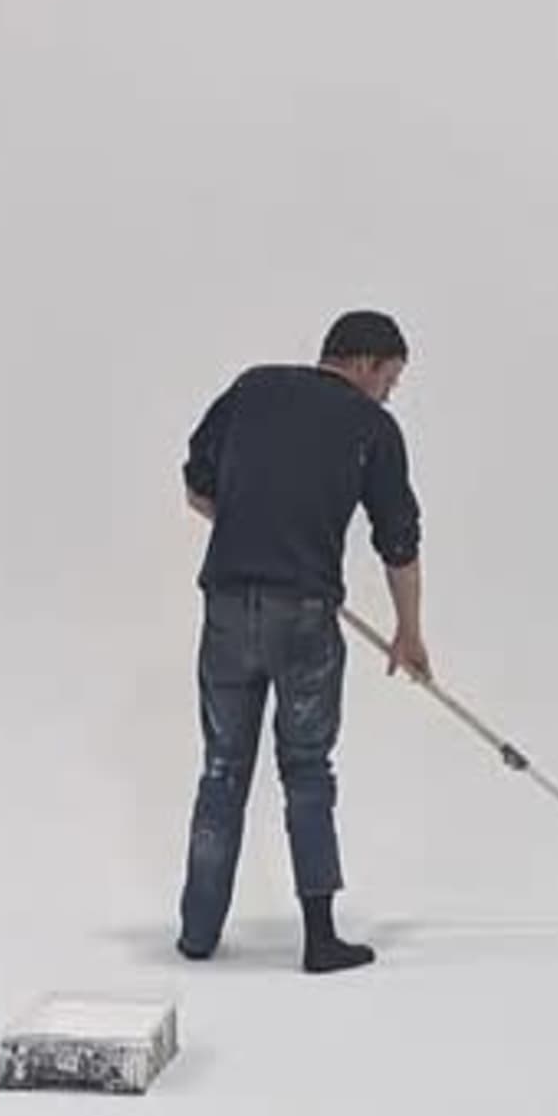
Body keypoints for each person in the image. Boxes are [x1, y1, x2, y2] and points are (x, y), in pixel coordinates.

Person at [175, 309, 430, 971]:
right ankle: (320, 939)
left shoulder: (252, 389)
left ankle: (197, 934)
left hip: (228, 604)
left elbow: (199, 488)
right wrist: (409, 631)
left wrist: (253, 529)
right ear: (367, 362)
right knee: (307, 769)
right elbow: (398, 539)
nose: (389, 394)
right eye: (391, 379)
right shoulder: (371, 427)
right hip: (306, 615)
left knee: (222, 767)